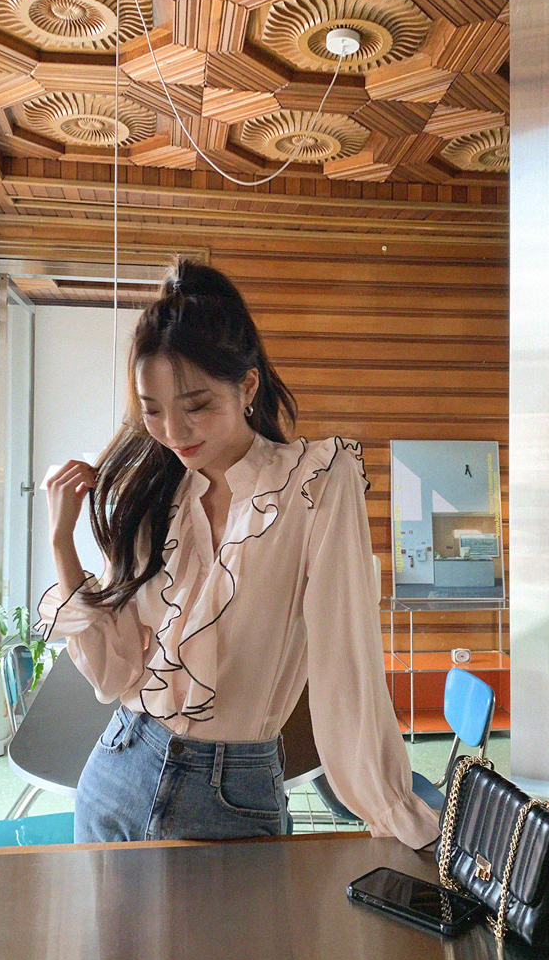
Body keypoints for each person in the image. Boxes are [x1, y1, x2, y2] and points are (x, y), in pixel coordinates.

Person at [41, 254, 441, 849]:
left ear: (247, 385)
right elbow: (113, 673)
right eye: (153, 411)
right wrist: (60, 542)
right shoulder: (153, 493)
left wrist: (391, 810)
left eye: (196, 406)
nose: (174, 432)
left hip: (232, 795)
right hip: (118, 770)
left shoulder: (314, 482)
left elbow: (346, 661)